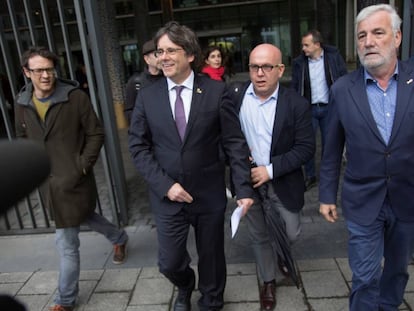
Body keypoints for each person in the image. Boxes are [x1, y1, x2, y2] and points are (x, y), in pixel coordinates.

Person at [128, 21, 254, 311]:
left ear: (190, 54)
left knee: (211, 255)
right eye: (160, 51)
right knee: (169, 262)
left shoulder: (216, 91)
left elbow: (234, 142)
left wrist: (243, 187)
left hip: (208, 193)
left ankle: (211, 302)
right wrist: (165, 186)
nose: (164, 57)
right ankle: (185, 285)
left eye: (172, 50)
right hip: (168, 195)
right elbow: (137, 146)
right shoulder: (147, 97)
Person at [15, 47, 128, 311]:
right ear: (26, 72)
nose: (45, 75)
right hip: (48, 184)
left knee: (66, 243)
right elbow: (23, 139)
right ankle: (119, 237)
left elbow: (95, 133)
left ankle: (64, 300)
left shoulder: (74, 97)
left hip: (75, 178)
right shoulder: (22, 104)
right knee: (86, 215)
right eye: (39, 70)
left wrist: (82, 166)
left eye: (49, 69)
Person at [319, 4, 414, 310]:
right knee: (365, 276)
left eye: (377, 33)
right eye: (362, 36)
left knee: (398, 271)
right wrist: (326, 195)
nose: (368, 42)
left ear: (397, 37)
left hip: (407, 197)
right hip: (363, 199)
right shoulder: (342, 90)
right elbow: (331, 149)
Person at [229, 43, 314, 311]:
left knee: (291, 230)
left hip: (283, 181)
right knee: (258, 235)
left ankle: (280, 252)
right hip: (249, 183)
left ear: (280, 70)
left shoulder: (296, 104)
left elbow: (306, 148)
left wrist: (271, 169)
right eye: (254, 66)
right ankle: (268, 281)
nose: (260, 73)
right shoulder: (236, 97)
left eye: (267, 67)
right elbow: (227, 141)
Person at [291, 29, 347, 190]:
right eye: (303, 45)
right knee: (307, 144)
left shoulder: (333, 57)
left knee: (329, 144)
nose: (303, 49)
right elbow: (295, 86)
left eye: (306, 45)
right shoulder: (299, 63)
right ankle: (310, 176)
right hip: (308, 110)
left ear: (317, 44)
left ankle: (326, 174)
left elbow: (343, 77)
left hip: (329, 108)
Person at [124, 39, 163, 124]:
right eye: (157, 54)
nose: (161, 58)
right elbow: (129, 112)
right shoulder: (136, 82)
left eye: (161, 53)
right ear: (147, 59)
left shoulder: (169, 78)